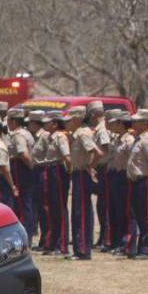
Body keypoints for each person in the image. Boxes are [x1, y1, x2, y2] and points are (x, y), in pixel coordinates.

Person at [124, 109, 148, 260]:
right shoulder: (138, 139)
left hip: (146, 180)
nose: (133, 123)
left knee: (146, 215)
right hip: (137, 181)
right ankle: (141, 247)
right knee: (139, 215)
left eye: (137, 120)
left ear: (146, 123)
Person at [65, 106, 101, 260]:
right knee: (78, 211)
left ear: (78, 119)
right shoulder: (77, 133)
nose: (68, 123)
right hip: (78, 173)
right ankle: (80, 249)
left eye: (70, 120)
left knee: (82, 212)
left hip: (81, 174)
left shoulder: (83, 133)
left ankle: (82, 250)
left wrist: (90, 167)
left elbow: (97, 153)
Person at [42, 111, 71, 256]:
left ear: (54, 124)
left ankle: (63, 244)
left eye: (48, 122)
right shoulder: (49, 137)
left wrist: (68, 173)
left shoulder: (60, 137)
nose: (45, 124)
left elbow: (67, 157)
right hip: (50, 170)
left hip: (58, 171)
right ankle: (52, 242)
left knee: (60, 208)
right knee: (52, 208)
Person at [86, 101, 113, 250]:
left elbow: (104, 149)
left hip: (104, 169)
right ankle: (103, 237)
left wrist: (92, 165)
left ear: (93, 114)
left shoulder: (102, 129)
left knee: (104, 205)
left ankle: (106, 238)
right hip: (101, 168)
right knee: (101, 205)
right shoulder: (100, 128)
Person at [109, 112, 136, 254]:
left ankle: (127, 243)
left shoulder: (129, 140)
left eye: (115, 123)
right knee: (118, 211)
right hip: (116, 175)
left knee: (126, 211)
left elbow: (132, 161)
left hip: (125, 177)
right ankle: (119, 242)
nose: (113, 125)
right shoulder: (117, 139)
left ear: (122, 124)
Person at [7, 109, 36, 241]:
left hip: (20, 168)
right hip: (24, 169)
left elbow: (23, 154)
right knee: (26, 202)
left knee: (21, 203)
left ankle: (24, 236)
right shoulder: (27, 132)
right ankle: (28, 234)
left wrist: (31, 167)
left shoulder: (18, 135)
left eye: (8, 121)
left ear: (13, 121)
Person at [28, 111, 51, 250]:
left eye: (30, 122)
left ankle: (47, 239)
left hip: (43, 171)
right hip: (35, 171)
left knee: (44, 207)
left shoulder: (45, 136)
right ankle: (43, 239)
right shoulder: (35, 137)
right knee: (39, 207)